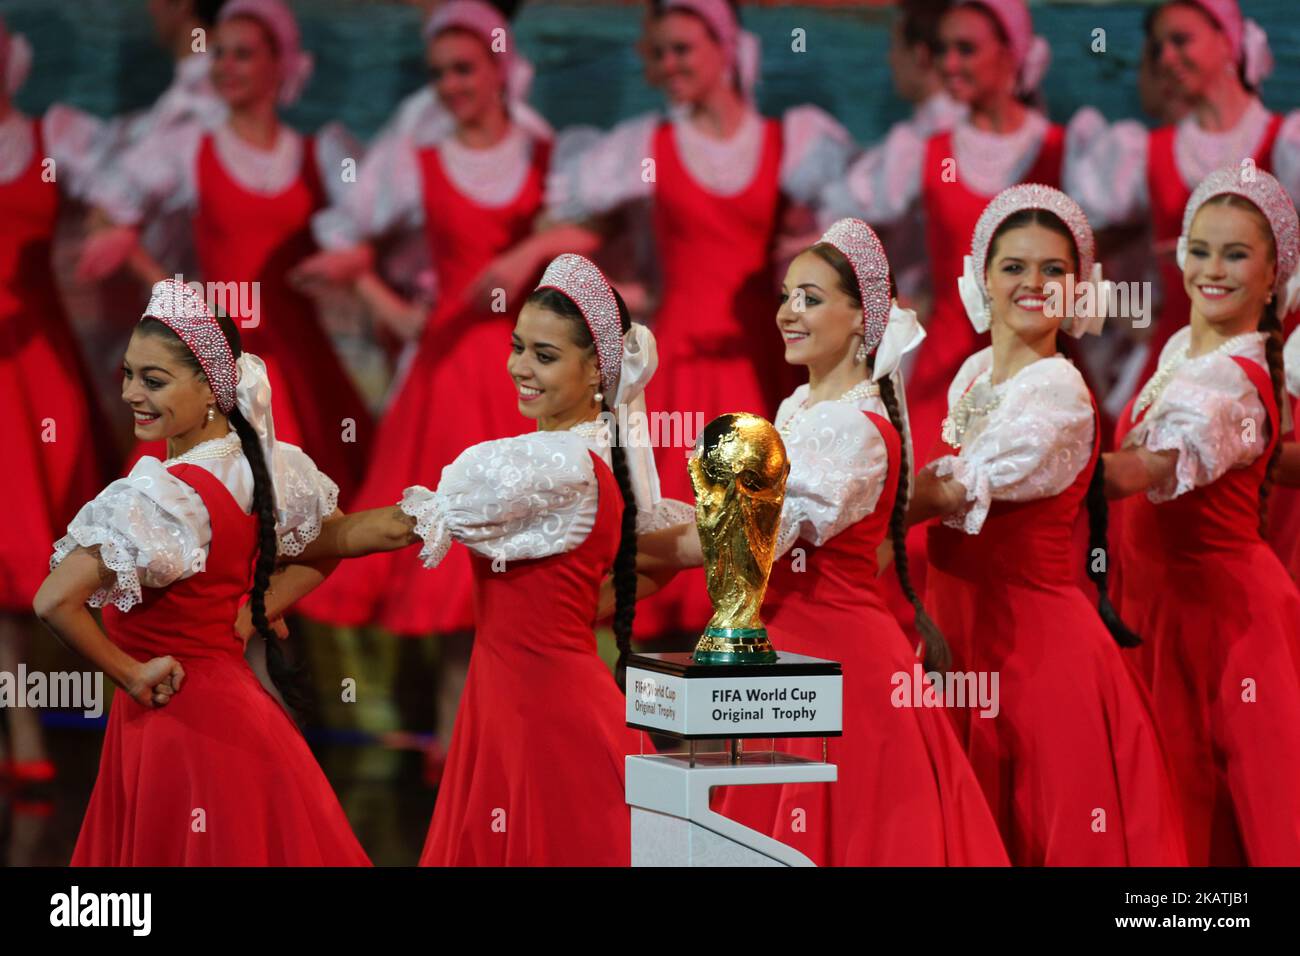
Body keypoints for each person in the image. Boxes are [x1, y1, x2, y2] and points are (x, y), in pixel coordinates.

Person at [627, 219, 1010, 865]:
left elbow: (735, 542)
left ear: (864, 319)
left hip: (838, 671)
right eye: (784, 296)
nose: (787, 313)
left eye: (810, 297)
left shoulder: (852, 430)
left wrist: (619, 545)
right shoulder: (797, 411)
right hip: (785, 664)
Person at [285, 254, 688, 865]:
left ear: (597, 369)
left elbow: (397, 528)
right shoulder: (602, 455)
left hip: (540, 713)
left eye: (544, 357)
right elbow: (653, 562)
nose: (520, 368)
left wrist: (267, 547)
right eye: (518, 346)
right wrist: (570, 620)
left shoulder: (547, 463)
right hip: (535, 698)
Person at [486, 0, 852, 638]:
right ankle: (652, 719)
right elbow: (582, 223)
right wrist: (529, 255)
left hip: (753, 366)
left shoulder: (787, 142)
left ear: (724, 48)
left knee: (746, 545)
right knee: (665, 537)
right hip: (678, 365)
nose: (670, 63)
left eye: (683, 48)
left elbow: (811, 248)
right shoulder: (646, 148)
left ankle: (722, 725)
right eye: (659, 52)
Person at [33, 279, 370, 866]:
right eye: (128, 374)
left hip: (181, 727)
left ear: (211, 386)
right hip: (234, 717)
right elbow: (326, 545)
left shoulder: (162, 493)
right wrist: (259, 609)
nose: (131, 393)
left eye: (153, 380)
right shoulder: (260, 465)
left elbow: (53, 600)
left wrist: (131, 675)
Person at [909, 184, 1187, 865]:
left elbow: (954, 492)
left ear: (1078, 287)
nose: (1032, 284)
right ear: (982, 275)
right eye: (1014, 267)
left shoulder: (1058, 390)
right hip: (965, 637)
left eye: (1053, 271)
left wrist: (850, 507)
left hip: (1031, 655)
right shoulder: (975, 376)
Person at [76, 0, 372, 501]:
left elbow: (362, 236)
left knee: (294, 496)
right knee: (196, 493)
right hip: (222, 343)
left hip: (296, 352)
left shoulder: (316, 151)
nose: (227, 67)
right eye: (220, 55)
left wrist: (349, 262)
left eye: (243, 55)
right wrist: (169, 290)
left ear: (278, 65)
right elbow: (113, 207)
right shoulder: (190, 145)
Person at [1104, 167, 1300, 865]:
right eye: (1201, 249)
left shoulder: (1231, 380)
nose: (1212, 269)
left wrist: (1057, 473)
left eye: (1236, 254)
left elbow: (1149, 467)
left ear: (1274, 273)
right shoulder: (1186, 350)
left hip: (1219, 622)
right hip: (1162, 609)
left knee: (1242, 807)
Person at [0, 17, 114, 785]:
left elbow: (118, 201)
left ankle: (114, 724)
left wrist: (111, 234)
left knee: (50, 550)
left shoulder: (53, 138)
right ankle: (23, 739)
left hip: (33, 364)